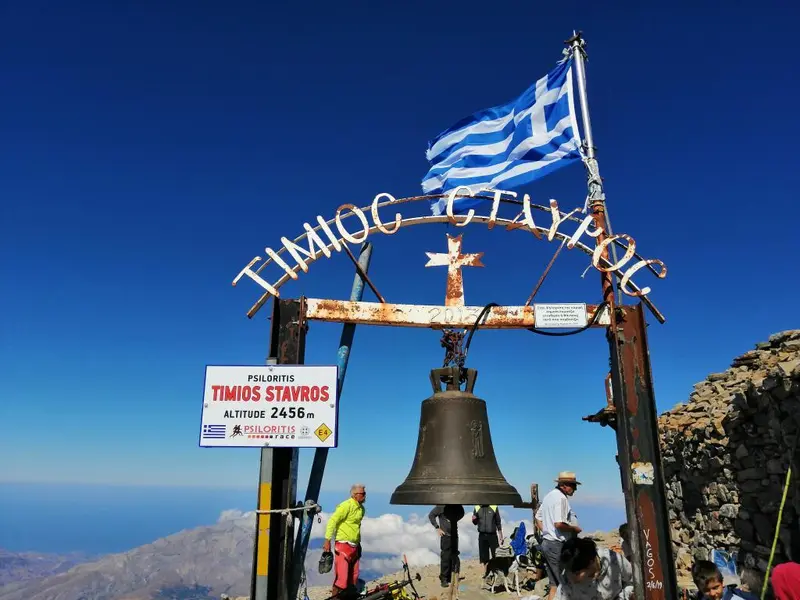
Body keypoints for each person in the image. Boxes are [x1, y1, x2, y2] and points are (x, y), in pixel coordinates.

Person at [535, 471, 583, 600]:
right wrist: (574, 529)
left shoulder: (549, 496)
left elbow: (537, 517)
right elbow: (558, 524)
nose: (575, 489)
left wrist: (546, 532)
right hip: (557, 545)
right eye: (573, 486)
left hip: (546, 543)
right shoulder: (561, 499)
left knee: (554, 585)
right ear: (564, 486)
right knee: (566, 584)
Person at [553, 536, 633, 599]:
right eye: (568, 572)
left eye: (577, 573)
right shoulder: (567, 577)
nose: (572, 579)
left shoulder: (614, 561)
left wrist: (622, 597)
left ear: (590, 563)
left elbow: (633, 582)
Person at [323, 483, 367, 597]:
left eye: (364, 493)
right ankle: (335, 598)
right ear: (354, 495)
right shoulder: (346, 506)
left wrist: (358, 544)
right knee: (342, 579)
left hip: (354, 547)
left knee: (353, 577)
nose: (365, 496)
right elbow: (333, 521)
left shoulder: (361, 509)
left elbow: (356, 527)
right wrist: (327, 540)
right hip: (343, 546)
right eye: (362, 493)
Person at [428, 504, 465, 588]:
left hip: (455, 535)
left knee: (454, 556)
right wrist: (437, 527)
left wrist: (456, 518)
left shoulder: (456, 505)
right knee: (445, 557)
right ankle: (444, 578)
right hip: (445, 536)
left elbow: (462, 513)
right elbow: (431, 515)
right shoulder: (441, 506)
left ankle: (451, 577)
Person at [472, 504, 503, 579]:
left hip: (492, 535)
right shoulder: (477, 507)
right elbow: (475, 522)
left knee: (496, 554)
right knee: (484, 555)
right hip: (482, 534)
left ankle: (496, 571)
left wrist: (500, 535)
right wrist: (474, 519)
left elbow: (498, 521)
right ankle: (486, 572)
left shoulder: (494, 506)